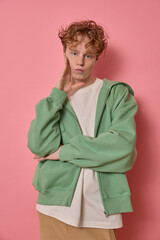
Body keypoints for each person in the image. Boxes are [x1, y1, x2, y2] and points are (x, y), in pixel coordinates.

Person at [27, 20, 138, 240]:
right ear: (65, 53)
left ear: (97, 57)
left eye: (88, 55)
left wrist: (63, 152)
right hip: (54, 207)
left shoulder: (117, 95)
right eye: (74, 52)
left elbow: (123, 147)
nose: (80, 61)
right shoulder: (58, 99)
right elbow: (39, 145)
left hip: (100, 208)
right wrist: (57, 96)